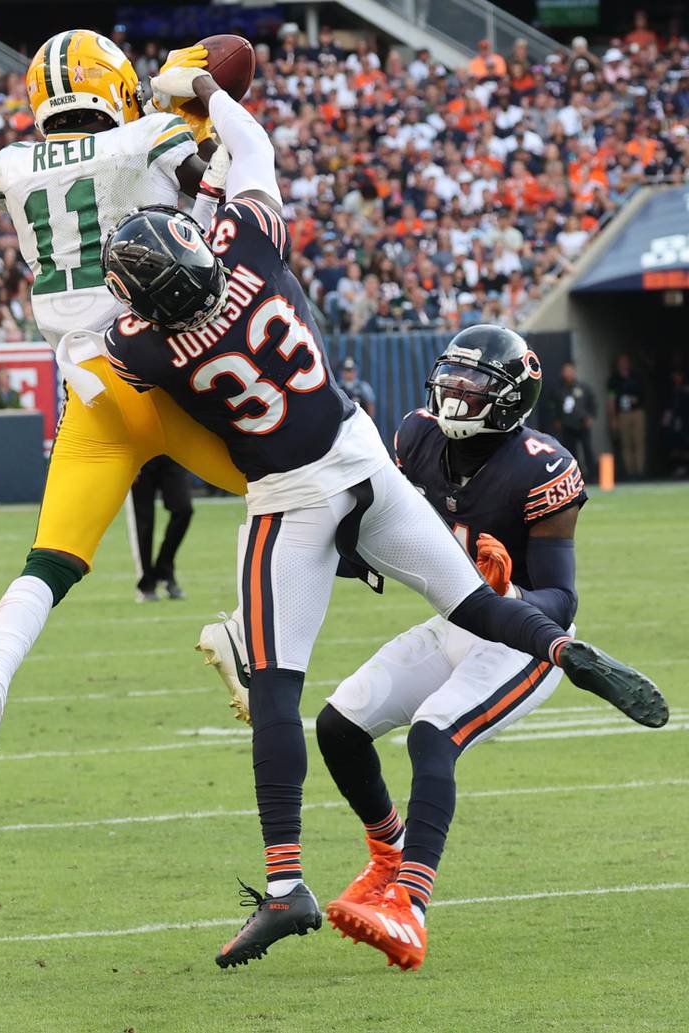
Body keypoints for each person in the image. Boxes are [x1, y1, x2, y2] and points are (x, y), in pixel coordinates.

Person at [102, 65, 667, 970]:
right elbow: (251, 150)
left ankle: (287, 883)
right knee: (475, 607)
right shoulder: (250, 243)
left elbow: (120, 330)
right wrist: (206, 96)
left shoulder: (140, 342)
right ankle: (560, 658)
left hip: (292, 495)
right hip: (362, 455)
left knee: (278, 692)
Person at [0, 34, 245, 809]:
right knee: (287, 491)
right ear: (113, 85)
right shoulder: (146, 135)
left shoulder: (9, 165)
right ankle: (243, 633)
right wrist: (195, 108)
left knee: (50, 560)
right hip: (159, 366)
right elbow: (216, 191)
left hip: (85, 390)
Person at [316, 330, 598, 970]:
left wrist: (513, 592)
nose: (454, 394)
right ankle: (389, 854)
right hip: (455, 624)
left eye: (473, 387)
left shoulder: (540, 463)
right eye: (451, 379)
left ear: (509, 400)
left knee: (432, 732)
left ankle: (409, 908)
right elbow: (361, 532)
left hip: (526, 643)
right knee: (338, 725)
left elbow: (562, 597)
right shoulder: (415, 436)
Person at [127, 456, 193, 601]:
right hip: (141, 456)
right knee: (144, 522)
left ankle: (164, 568)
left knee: (184, 509)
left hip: (171, 452)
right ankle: (146, 582)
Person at [551, 362, 596, 481]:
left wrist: (591, 417)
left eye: (570, 371)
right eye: (566, 371)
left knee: (587, 450)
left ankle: (592, 475)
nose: (568, 374)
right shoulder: (559, 389)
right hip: (567, 425)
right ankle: (577, 477)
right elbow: (554, 406)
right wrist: (557, 420)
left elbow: (592, 403)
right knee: (571, 452)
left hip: (582, 424)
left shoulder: (583, 387)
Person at [607, 354, 646, 478]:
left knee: (638, 441)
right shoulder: (614, 379)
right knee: (626, 443)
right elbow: (611, 398)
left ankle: (640, 471)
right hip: (623, 414)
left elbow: (643, 394)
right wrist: (613, 417)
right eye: (621, 362)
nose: (624, 364)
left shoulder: (636, 376)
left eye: (626, 361)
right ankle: (630, 472)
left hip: (637, 412)